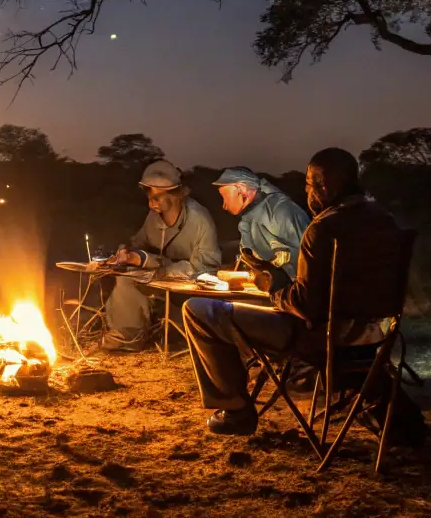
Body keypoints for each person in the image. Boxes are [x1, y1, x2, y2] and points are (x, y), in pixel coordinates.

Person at [183, 147, 399, 435]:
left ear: (324, 184)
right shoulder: (384, 220)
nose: (306, 191)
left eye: (309, 184)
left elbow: (306, 304)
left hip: (321, 338)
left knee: (200, 310)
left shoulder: (323, 229)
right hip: (376, 340)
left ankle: (235, 411)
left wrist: (273, 288)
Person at [101, 159, 222, 351]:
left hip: (190, 285)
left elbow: (206, 266)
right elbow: (139, 243)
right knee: (125, 276)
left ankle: (147, 332)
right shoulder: (154, 217)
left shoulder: (199, 219)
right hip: (160, 276)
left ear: (174, 195)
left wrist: (164, 271)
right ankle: (127, 335)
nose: (151, 204)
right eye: (149, 197)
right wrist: (126, 253)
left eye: (156, 198)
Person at [213, 166, 309, 285]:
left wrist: (260, 276)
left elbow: (296, 262)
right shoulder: (248, 218)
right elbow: (250, 257)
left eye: (224, 197)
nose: (224, 205)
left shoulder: (280, 211)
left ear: (241, 189)